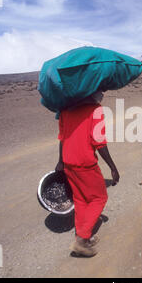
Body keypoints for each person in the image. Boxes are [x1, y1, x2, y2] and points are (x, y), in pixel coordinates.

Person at [55, 91, 119, 257]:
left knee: (80, 199)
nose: (102, 94)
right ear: (90, 92)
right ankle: (82, 240)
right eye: (99, 91)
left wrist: (61, 161)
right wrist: (112, 167)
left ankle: (83, 236)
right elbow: (98, 141)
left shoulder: (65, 110)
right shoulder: (95, 110)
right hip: (85, 163)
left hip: (69, 162)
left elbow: (62, 138)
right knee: (99, 198)